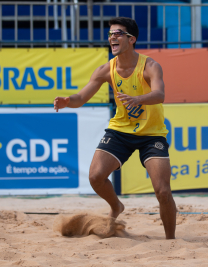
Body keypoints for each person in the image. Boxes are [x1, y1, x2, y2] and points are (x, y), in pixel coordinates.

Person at [53, 17, 177, 239]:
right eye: (110, 34)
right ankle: (116, 206)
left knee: (163, 191)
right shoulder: (106, 69)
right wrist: (67, 101)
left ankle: (171, 241)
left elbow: (160, 94)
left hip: (152, 133)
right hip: (121, 130)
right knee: (95, 177)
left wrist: (137, 99)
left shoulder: (149, 66)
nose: (112, 37)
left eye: (117, 33)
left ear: (132, 39)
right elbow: (81, 97)